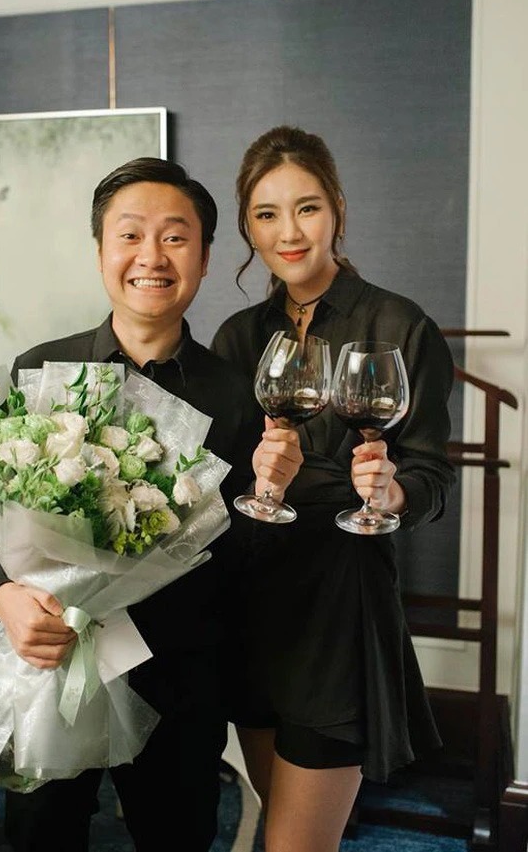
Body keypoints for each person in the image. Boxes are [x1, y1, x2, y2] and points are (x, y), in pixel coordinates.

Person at [0, 156, 303, 852]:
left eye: (175, 237)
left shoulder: (237, 398)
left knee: (176, 834)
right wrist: (6, 597)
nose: (152, 256)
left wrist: (271, 492)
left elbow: (246, 562)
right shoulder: (40, 371)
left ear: (204, 259)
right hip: (54, 657)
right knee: (39, 834)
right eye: (130, 235)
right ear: (100, 252)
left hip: (180, 674)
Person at [211, 126, 456, 852]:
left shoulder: (399, 324)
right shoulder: (236, 337)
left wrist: (390, 493)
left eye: (307, 208)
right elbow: (212, 481)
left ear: (338, 209)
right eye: (266, 214)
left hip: (340, 603)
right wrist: (256, 477)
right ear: (248, 226)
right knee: (278, 817)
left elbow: (432, 475)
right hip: (254, 598)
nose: (288, 233)